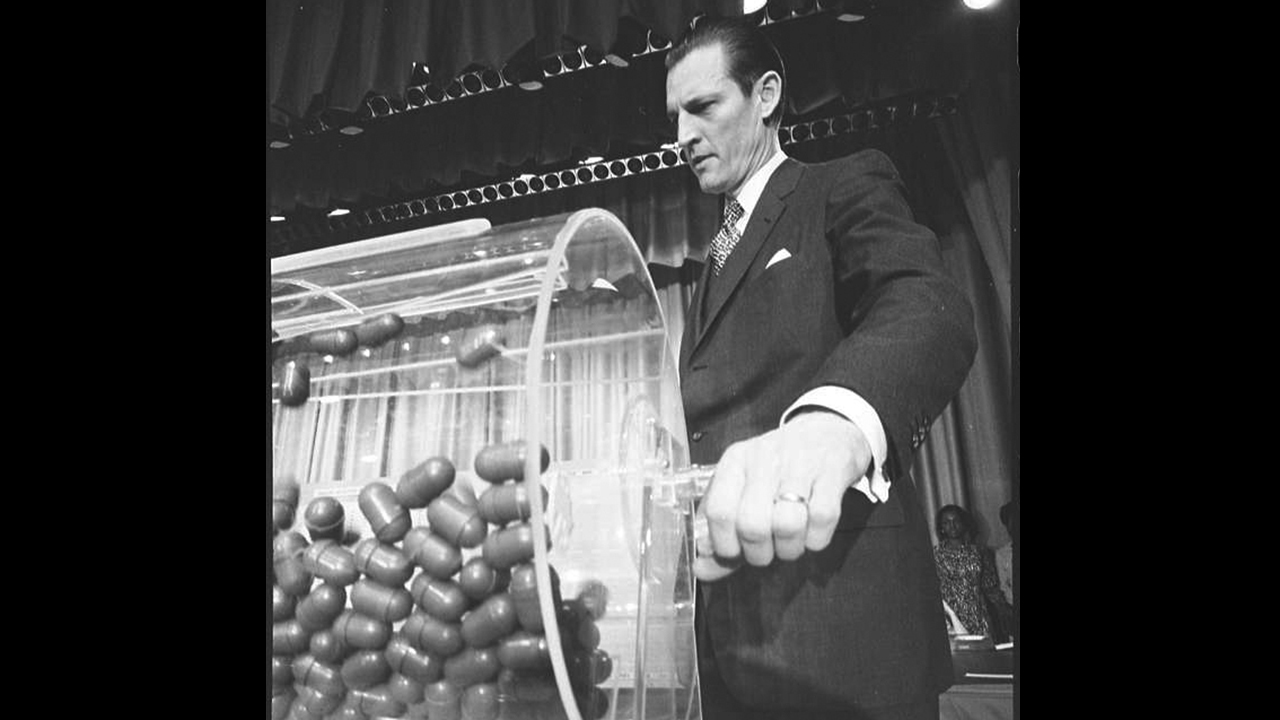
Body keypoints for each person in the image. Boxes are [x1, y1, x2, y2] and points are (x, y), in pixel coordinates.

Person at [667, 16, 977, 720]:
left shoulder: (842, 183)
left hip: (842, 641)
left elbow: (923, 301)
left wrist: (835, 420)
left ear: (767, 94)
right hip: (725, 647)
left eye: (704, 106)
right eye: (675, 115)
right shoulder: (716, 254)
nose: (681, 135)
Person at [933, 504, 1013, 642]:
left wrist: (1004, 610)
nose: (952, 526)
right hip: (952, 619)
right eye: (946, 522)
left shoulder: (979, 552)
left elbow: (991, 587)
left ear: (963, 523)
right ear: (941, 528)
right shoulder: (935, 556)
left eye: (955, 521)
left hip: (979, 616)